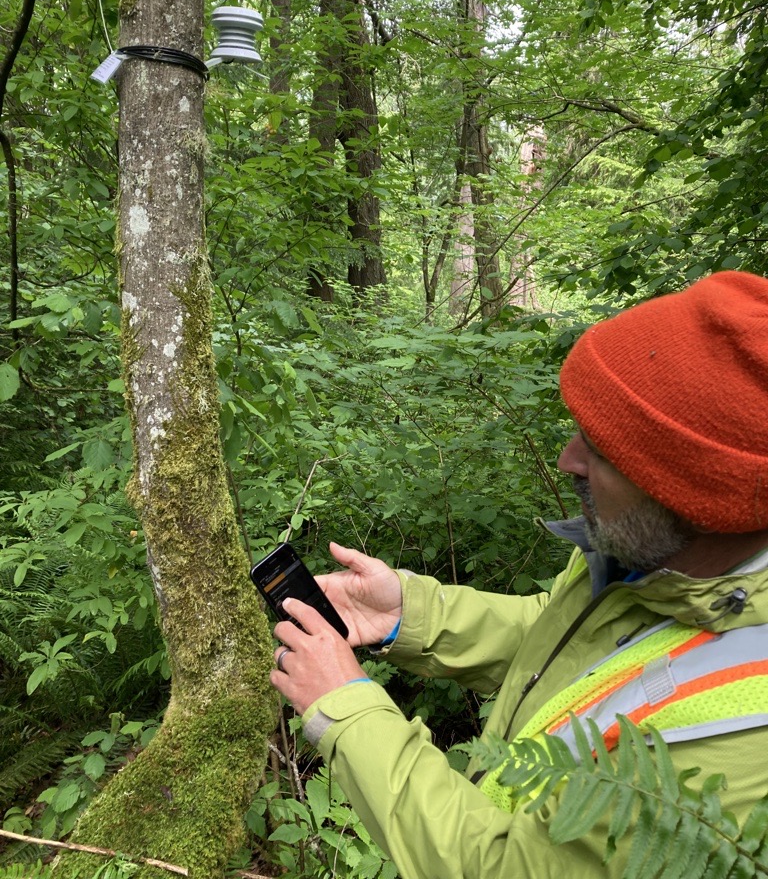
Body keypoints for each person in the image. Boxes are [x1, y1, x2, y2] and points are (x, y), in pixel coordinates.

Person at [269, 270, 768, 878]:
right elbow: (580, 646)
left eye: (602, 452)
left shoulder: (736, 743)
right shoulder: (656, 561)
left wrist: (348, 710)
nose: (568, 461)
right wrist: (409, 615)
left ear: (697, 495)